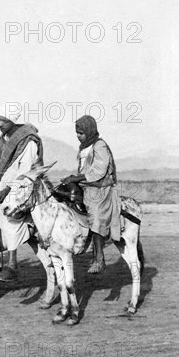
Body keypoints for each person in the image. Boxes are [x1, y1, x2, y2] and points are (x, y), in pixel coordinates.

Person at [0, 105, 43, 281]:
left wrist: (7, 189)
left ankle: (12, 264)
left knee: (8, 211)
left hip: (23, 185)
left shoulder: (28, 142)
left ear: (14, 121)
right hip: (1, 183)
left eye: (4, 121)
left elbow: (26, 170)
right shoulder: (2, 140)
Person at [62, 115, 121, 274]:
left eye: (81, 133)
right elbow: (83, 169)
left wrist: (77, 178)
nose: (78, 136)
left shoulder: (99, 146)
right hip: (87, 184)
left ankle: (99, 258)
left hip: (99, 187)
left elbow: (99, 171)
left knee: (95, 216)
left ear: (89, 131)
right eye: (77, 133)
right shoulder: (84, 147)